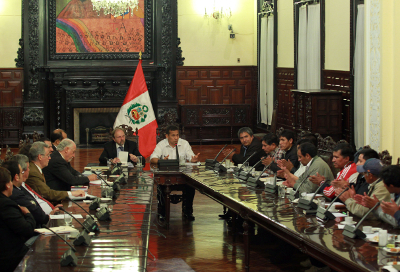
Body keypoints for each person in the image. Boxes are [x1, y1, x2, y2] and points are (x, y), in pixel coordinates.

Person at [150, 125, 199, 221]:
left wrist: (194, 159)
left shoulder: (184, 144)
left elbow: (191, 156)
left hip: (182, 177)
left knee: (191, 186)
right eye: (173, 135)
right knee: (161, 187)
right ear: (167, 136)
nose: (176, 138)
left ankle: (188, 212)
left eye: (177, 135)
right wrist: (161, 161)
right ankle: (162, 213)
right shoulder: (161, 144)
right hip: (167, 177)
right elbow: (152, 159)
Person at [3, 160, 61, 228]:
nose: (24, 174)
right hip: (35, 230)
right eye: (22, 172)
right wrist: (47, 217)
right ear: (16, 177)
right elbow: (33, 212)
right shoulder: (14, 194)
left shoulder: (20, 188)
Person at [0, 167, 36, 272]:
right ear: (7, 185)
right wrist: (28, 214)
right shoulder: (6, 205)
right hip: (11, 257)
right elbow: (27, 229)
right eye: (11, 181)